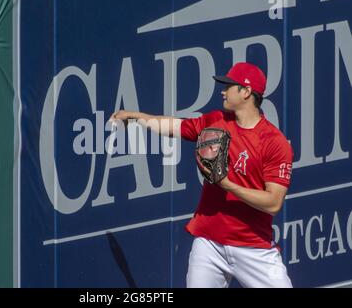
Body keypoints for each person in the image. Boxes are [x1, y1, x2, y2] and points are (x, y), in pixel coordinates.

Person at [110, 62, 294, 288]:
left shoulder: (274, 143)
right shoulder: (216, 121)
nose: (223, 91)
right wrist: (136, 116)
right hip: (209, 244)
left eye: (229, 86)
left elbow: (273, 202)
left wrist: (228, 185)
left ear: (246, 92)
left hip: (254, 247)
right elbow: (176, 126)